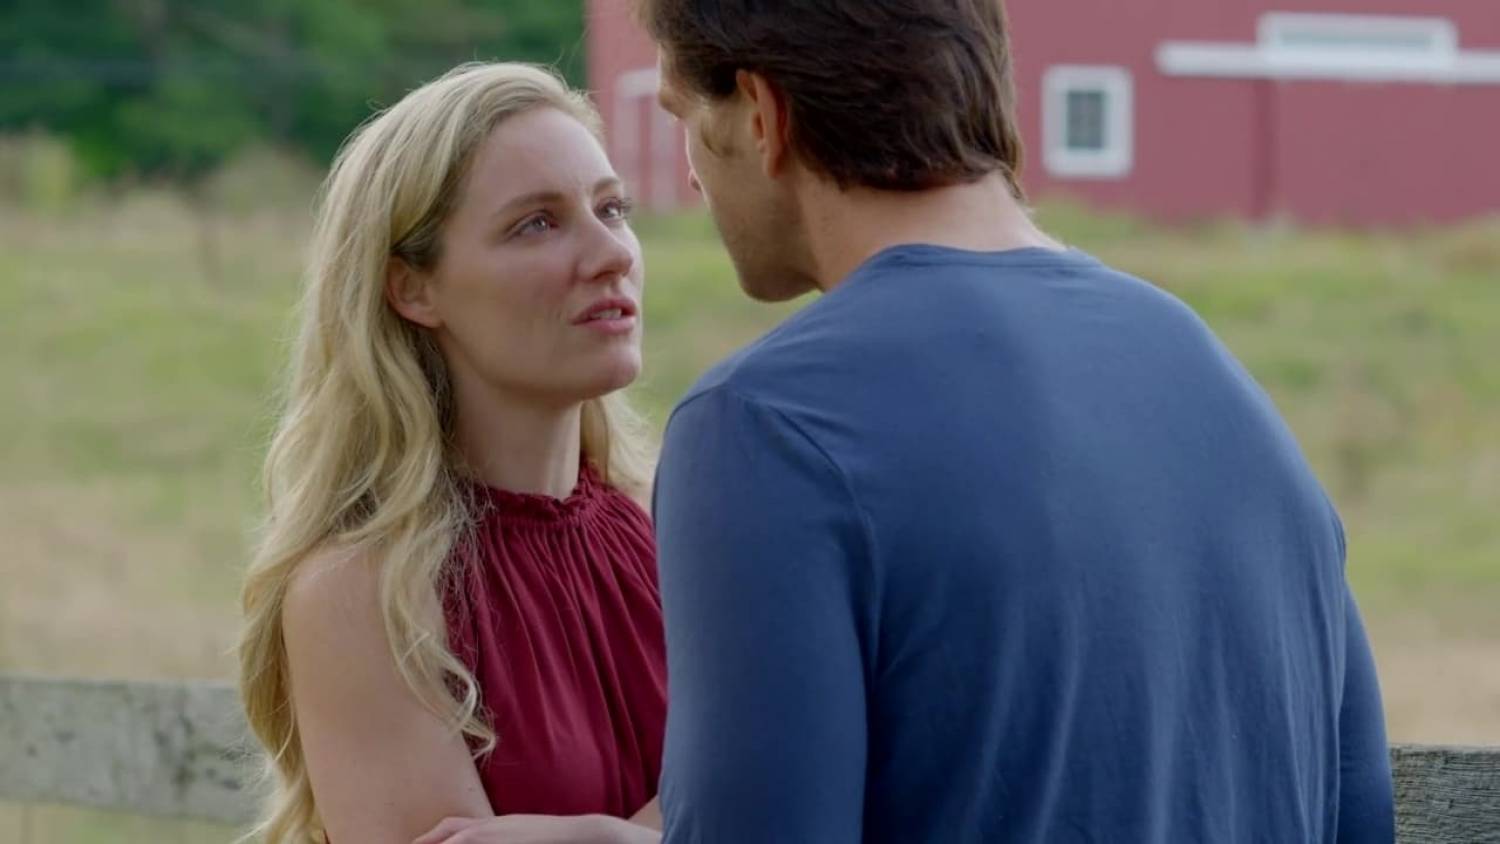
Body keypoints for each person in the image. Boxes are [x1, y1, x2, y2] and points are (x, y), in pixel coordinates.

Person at [641, 1, 1396, 841]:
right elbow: (1360, 813)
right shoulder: (1218, 381)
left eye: (682, 113)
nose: (693, 178)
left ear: (762, 114)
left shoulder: (762, 431)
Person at [237, 63, 665, 844]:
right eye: (537, 223)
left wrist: (600, 840)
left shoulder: (676, 522)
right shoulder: (367, 593)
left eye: (612, 209)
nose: (612, 253)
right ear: (413, 289)